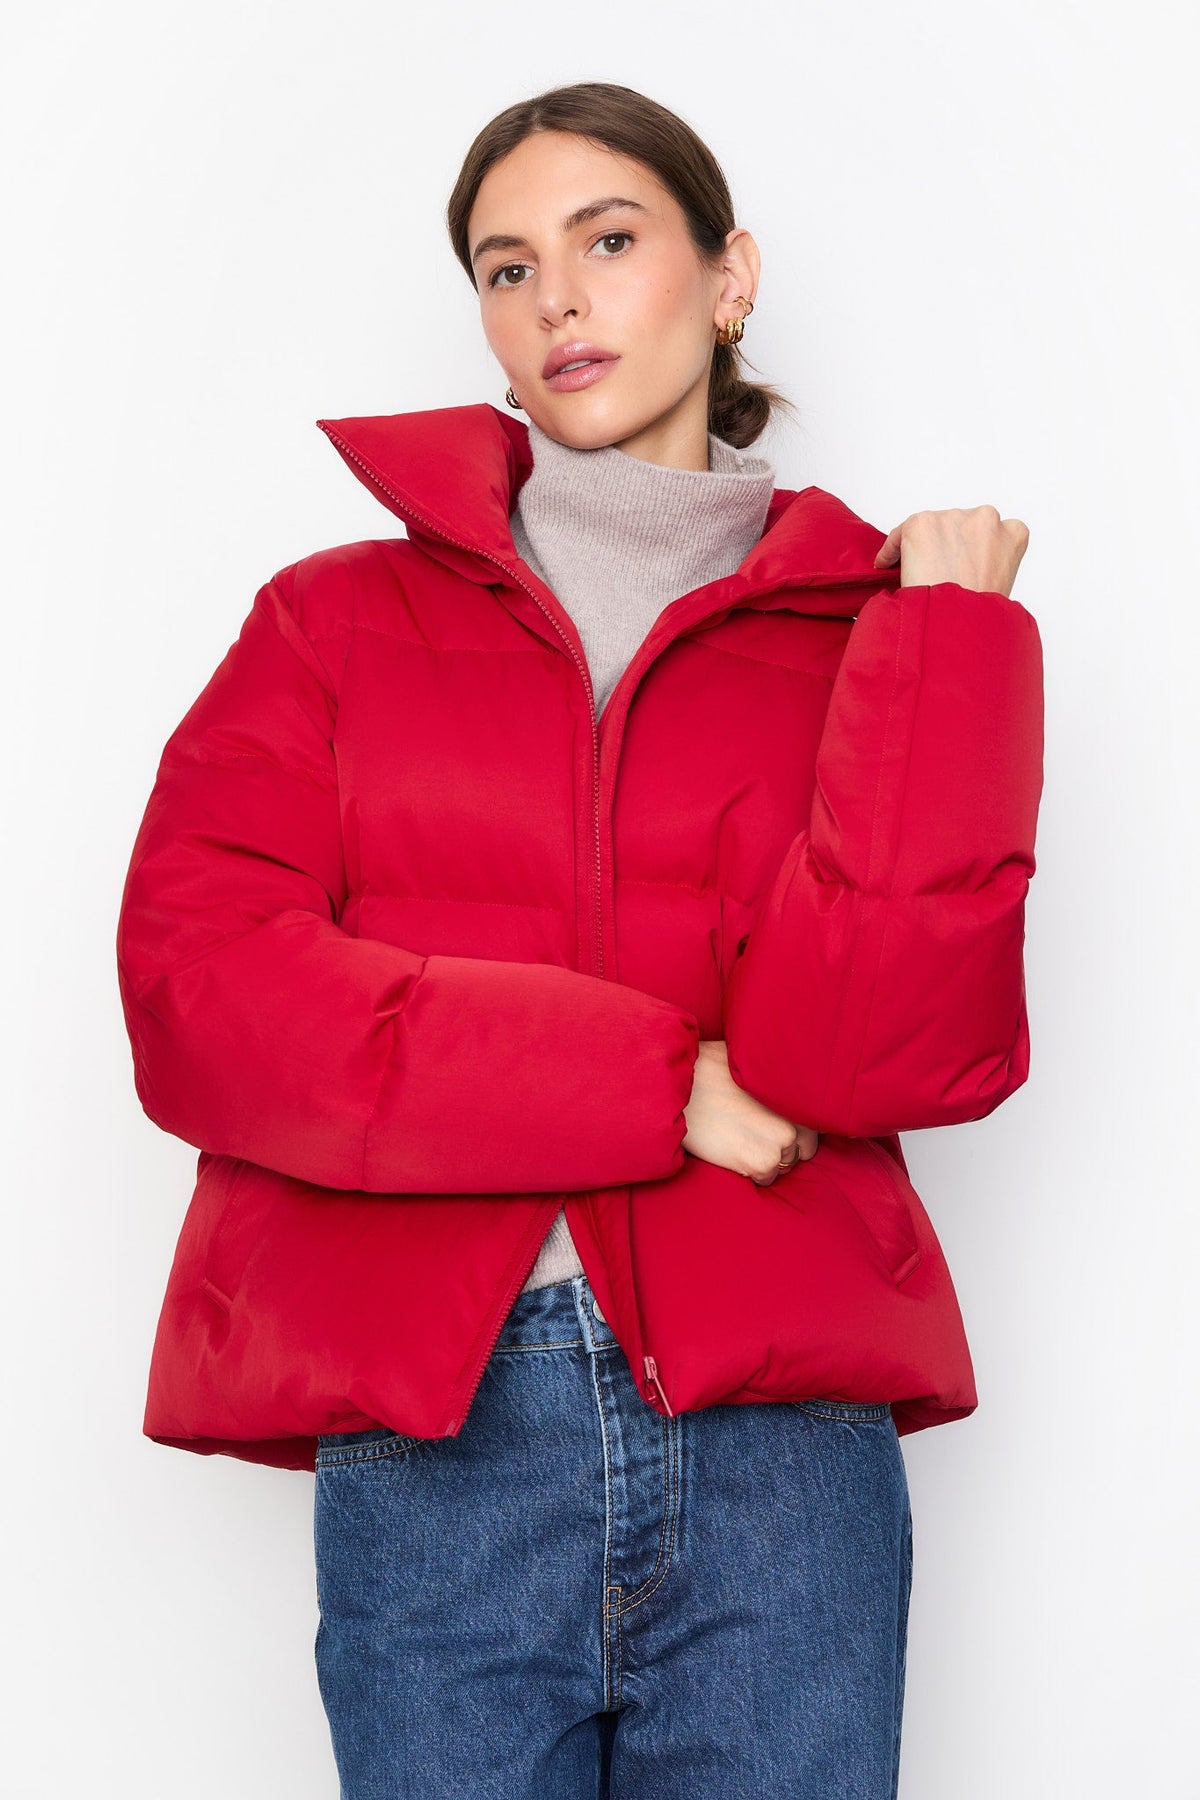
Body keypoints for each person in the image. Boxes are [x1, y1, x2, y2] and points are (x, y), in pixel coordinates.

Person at [115, 80, 1042, 1800]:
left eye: (609, 241)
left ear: (730, 275)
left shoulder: (877, 636)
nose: (557, 299)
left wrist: (951, 656)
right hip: (442, 1430)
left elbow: (890, 1056)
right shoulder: (331, 621)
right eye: (507, 265)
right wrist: (659, 1084)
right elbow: (204, 998)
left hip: (780, 1439)